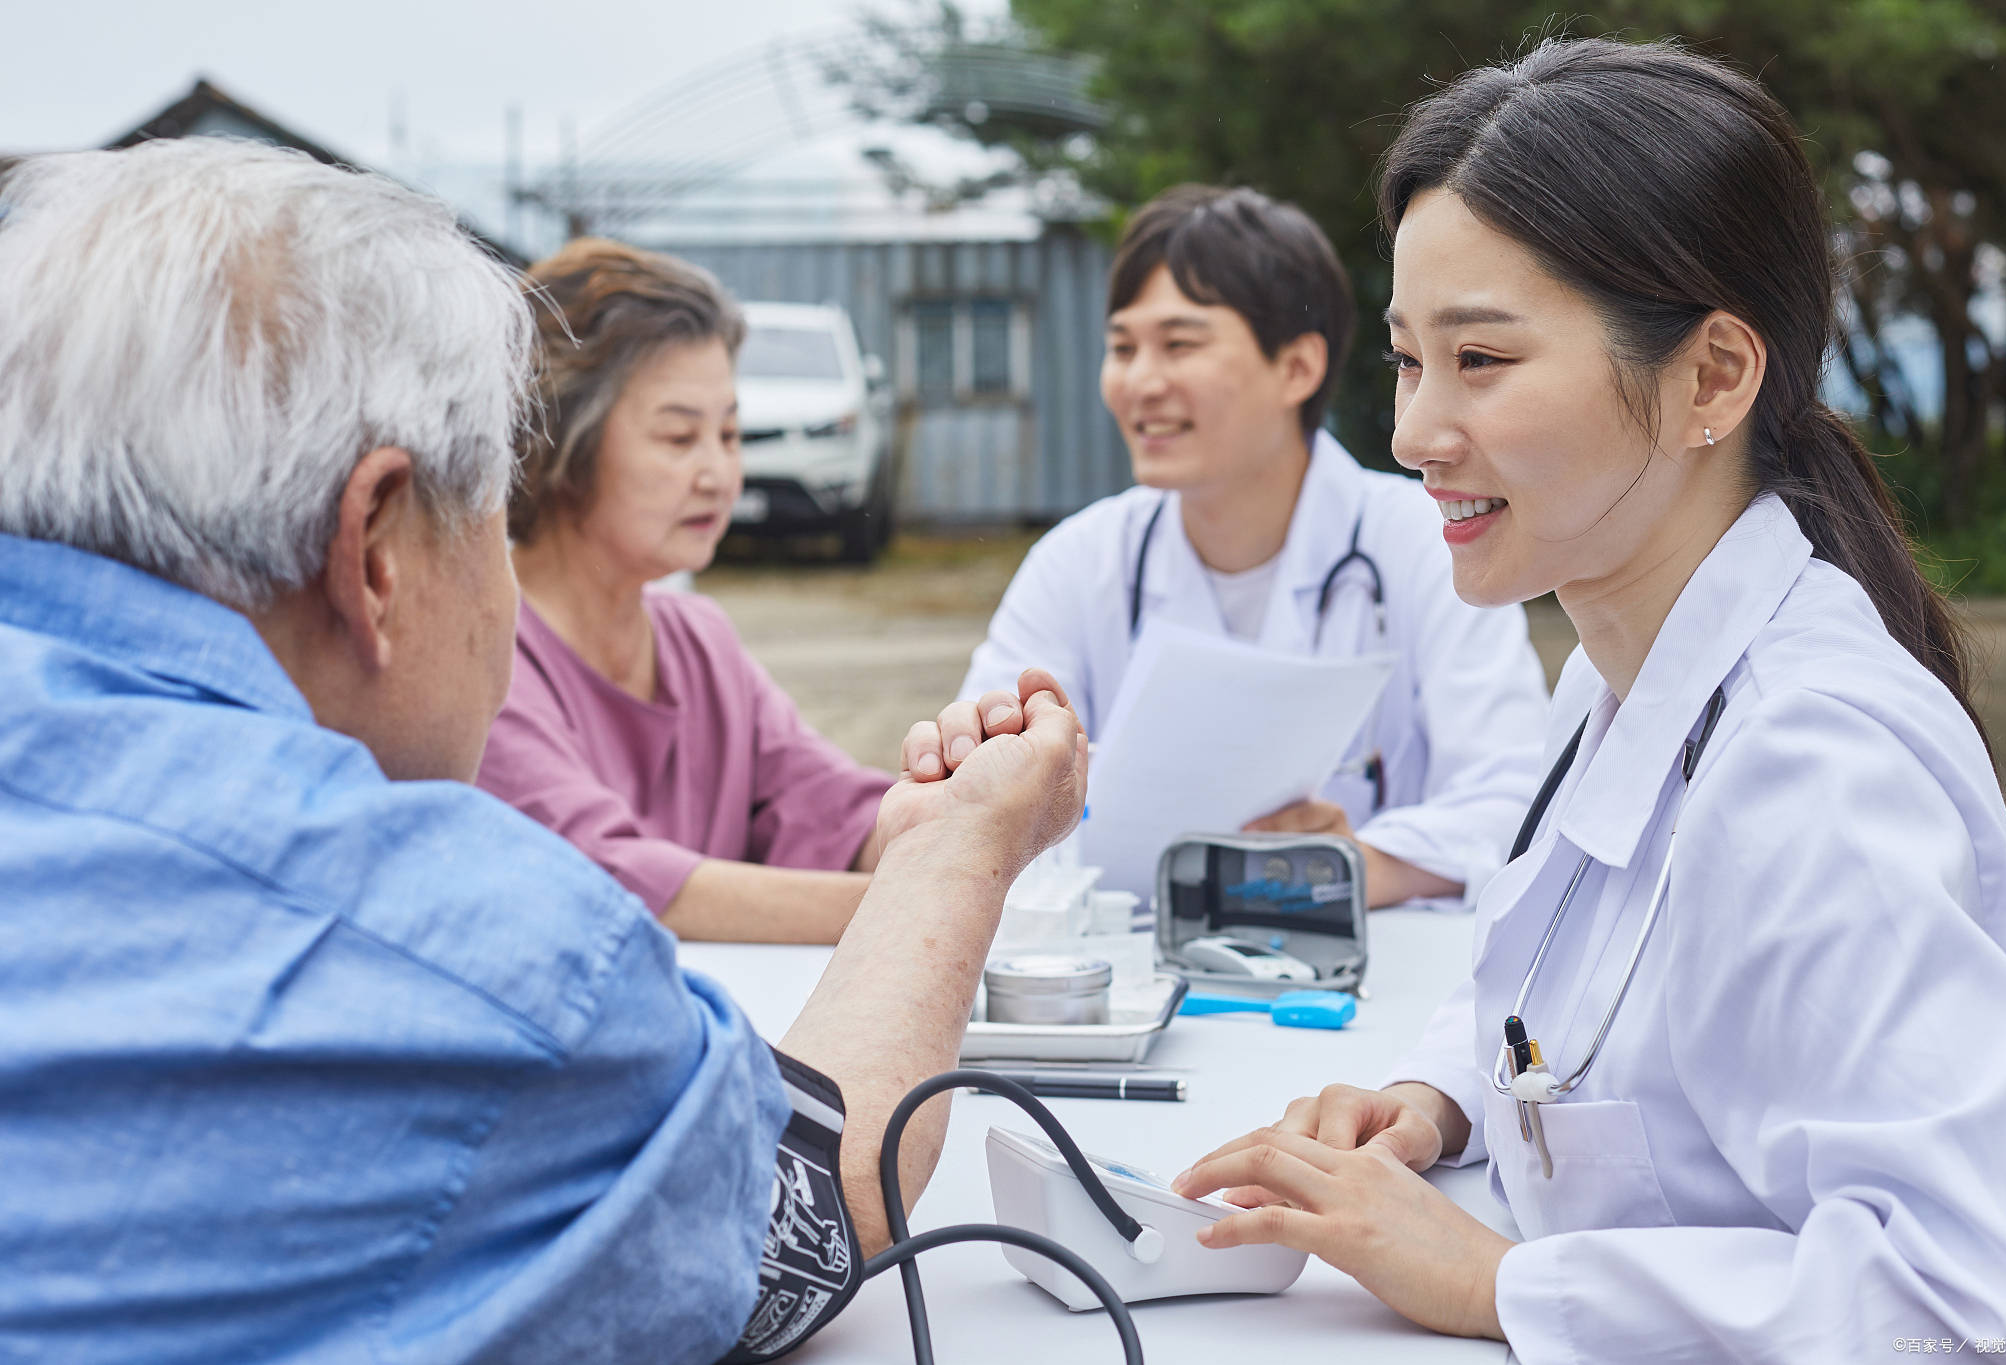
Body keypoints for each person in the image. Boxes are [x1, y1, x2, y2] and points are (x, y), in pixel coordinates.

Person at [0, 138, 1084, 1364]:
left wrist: (905, 816)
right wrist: (962, 849)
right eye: (487, 506)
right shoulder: (465, 954)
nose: (716, 470)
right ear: (377, 548)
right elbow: (803, 1205)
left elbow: (823, 799)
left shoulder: (699, 641)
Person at [1151, 38, 2006, 1356]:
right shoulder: (1610, 683)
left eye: (1484, 360)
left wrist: (1499, 1284)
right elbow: (1568, 1002)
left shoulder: (1811, 763)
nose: (1413, 433)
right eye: (1407, 361)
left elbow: (1981, 1293)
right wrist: (1436, 1100)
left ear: (1713, 380)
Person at [956, 185, 1549, 908]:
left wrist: (1353, 863)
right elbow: (985, 798)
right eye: (1122, 348)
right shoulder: (1080, 562)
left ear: (1297, 367)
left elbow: (1517, 797)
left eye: (1179, 344)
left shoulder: (1428, 540)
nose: (1140, 381)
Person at [476, 239, 887, 945]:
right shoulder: (484, 654)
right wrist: (931, 901)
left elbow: (835, 809)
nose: (720, 473)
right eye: (678, 437)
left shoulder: (701, 640)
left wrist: (965, 816)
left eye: (729, 434)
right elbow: (612, 879)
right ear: (563, 444)